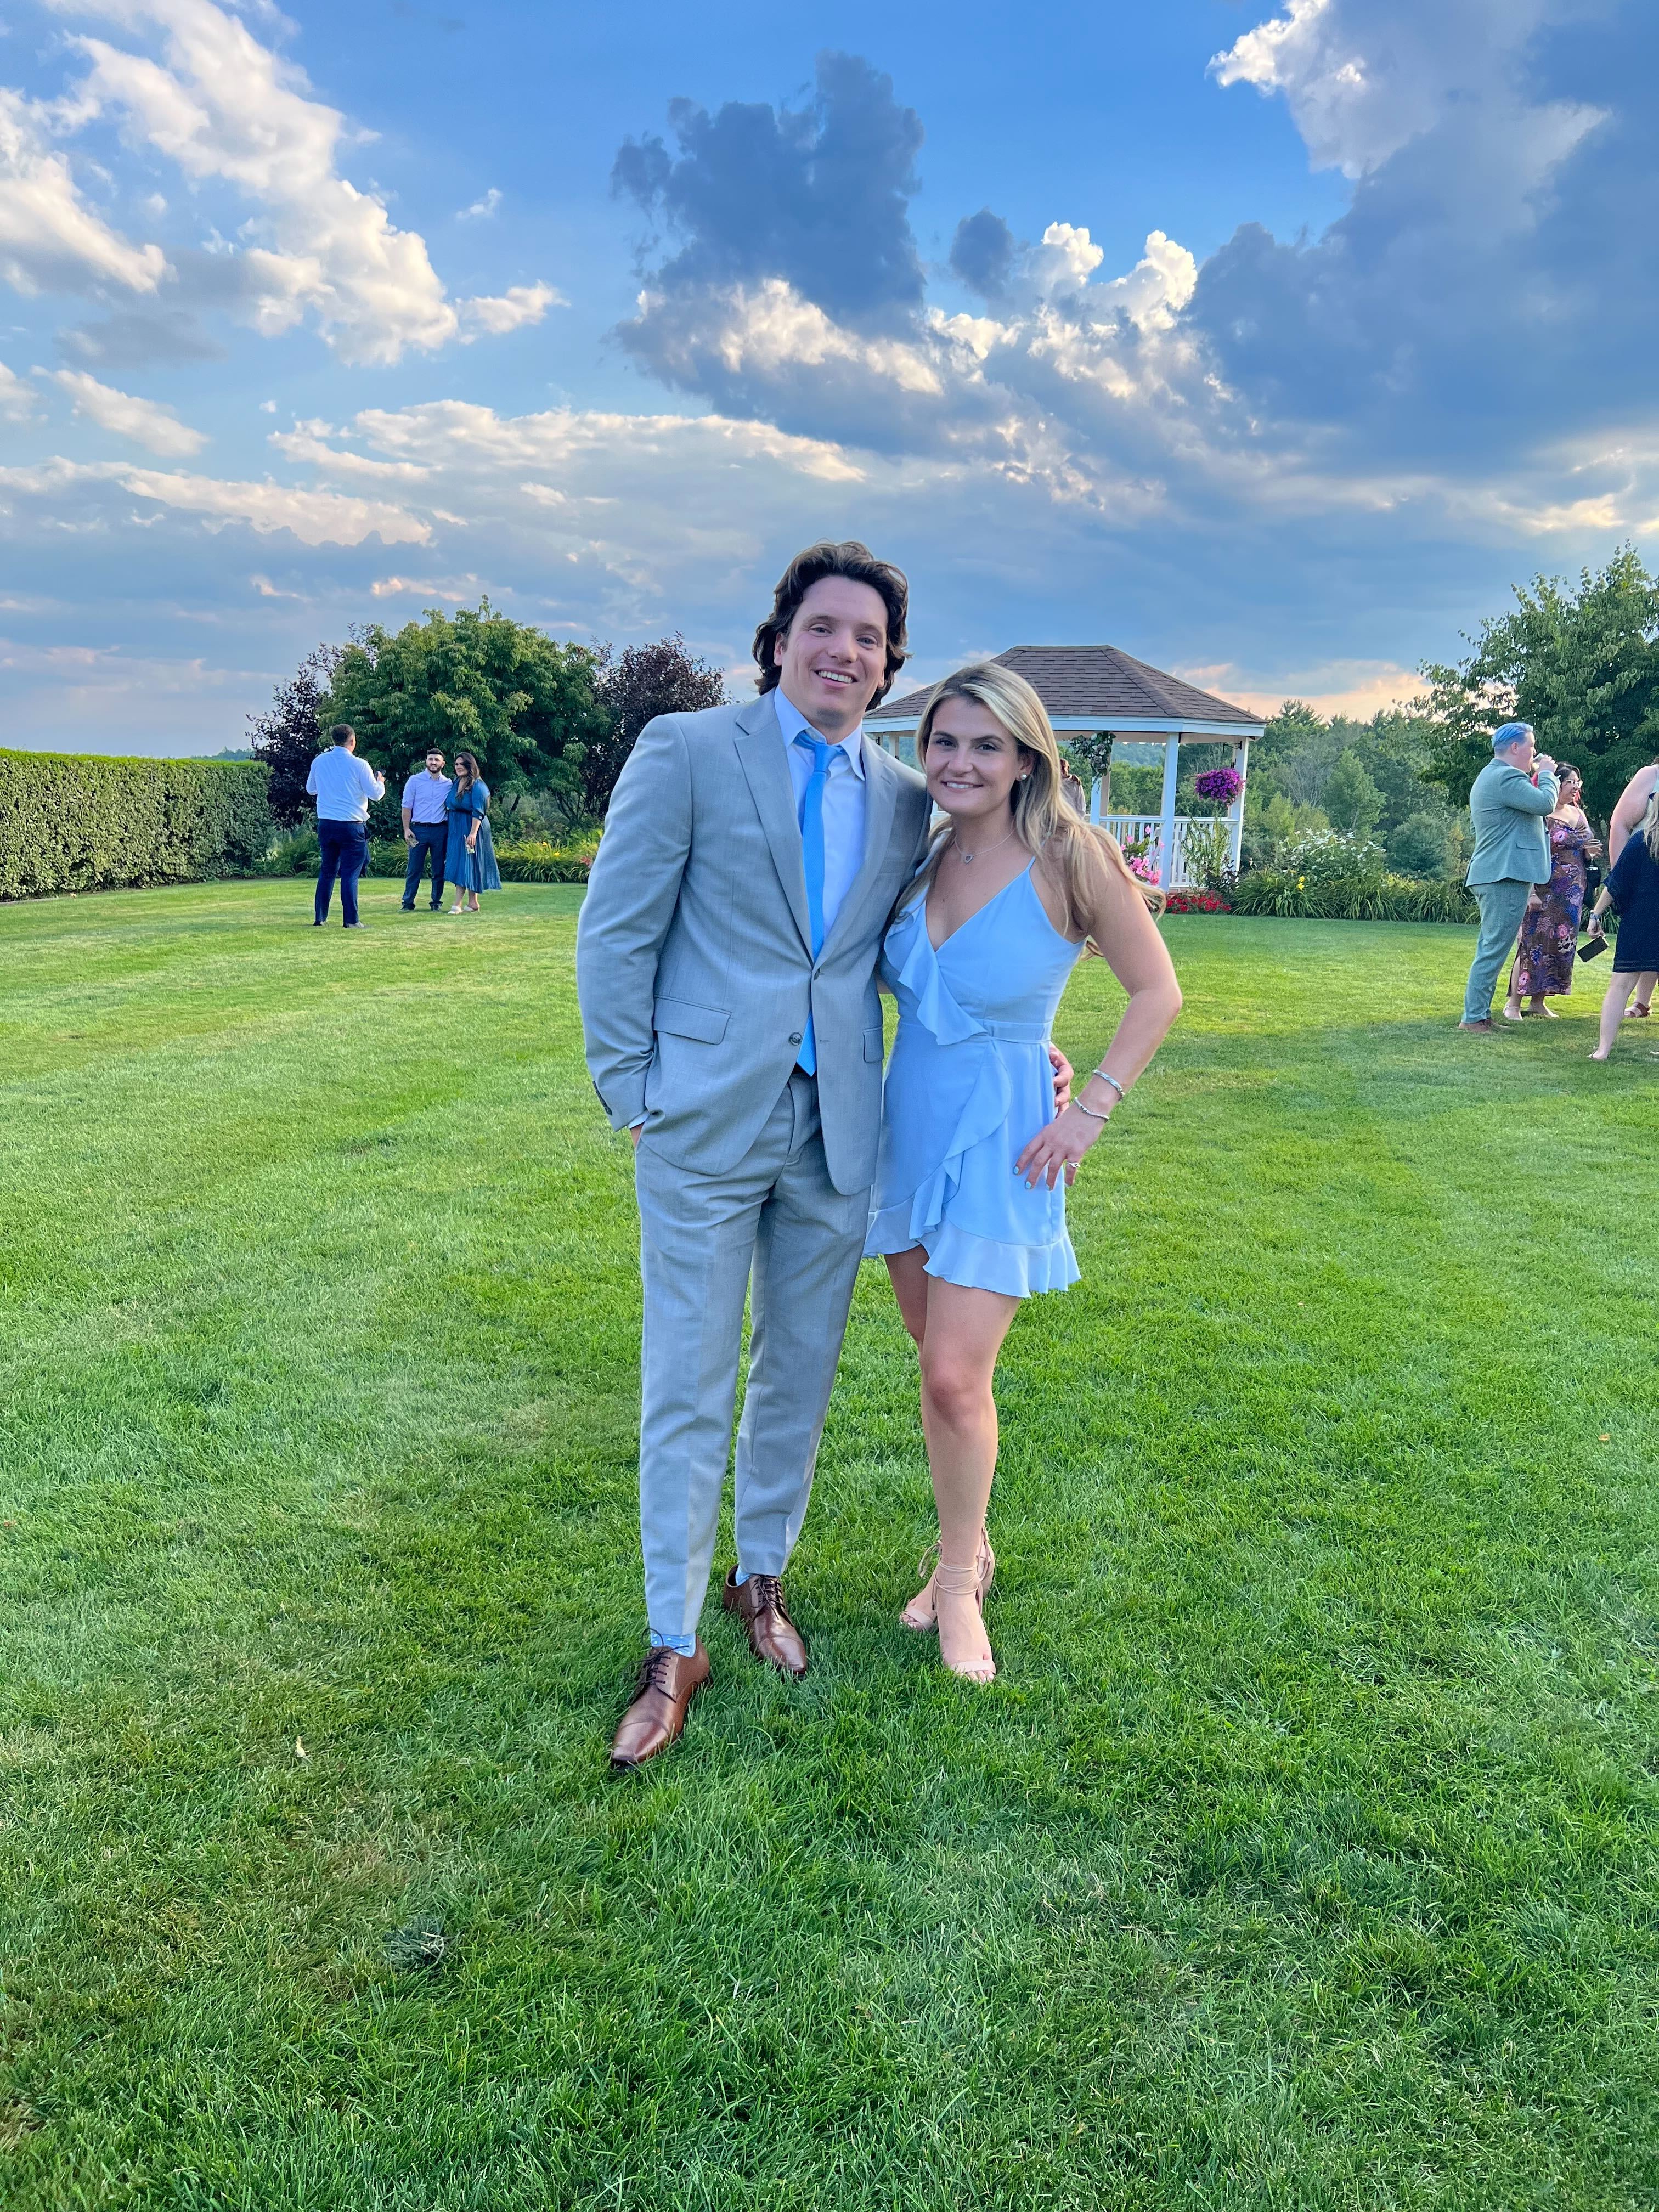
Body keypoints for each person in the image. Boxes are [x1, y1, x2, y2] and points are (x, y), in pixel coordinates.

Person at [575, 541, 1072, 1769]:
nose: (843, 650)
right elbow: (616, 927)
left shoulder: (912, 798)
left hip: (842, 1128)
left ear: (887, 663)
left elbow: (961, 944)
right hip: (699, 1117)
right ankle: (669, 1640)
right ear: (781, 635)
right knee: (687, 1376)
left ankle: (761, 1582)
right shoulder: (688, 750)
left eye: (867, 637)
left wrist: (1039, 1057)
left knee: (797, 1372)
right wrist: (630, 1085)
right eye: (824, 625)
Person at [867, 664, 1182, 1681]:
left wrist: (1086, 1107)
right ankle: (973, 1543)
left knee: (956, 1374)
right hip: (907, 1120)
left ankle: (957, 1576)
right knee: (933, 1356)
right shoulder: (912, 855)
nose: (959, 762)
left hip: (1007, 1134)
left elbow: (1155, 991)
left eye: (984, 744)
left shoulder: (1068, 855)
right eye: (942, 742)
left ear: (1024, 757)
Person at [1460, 721, 1559, 1030]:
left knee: (1494, 946)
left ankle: (1480, 1015)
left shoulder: (1497, 776)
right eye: (1531, 747)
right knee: (1493, 948)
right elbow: (1545, 803)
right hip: (1503, 875)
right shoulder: (1505, 777)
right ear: (1515, 748)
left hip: (1499, 873)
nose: (1534, 752)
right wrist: (1546, 773)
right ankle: (1474, 1018)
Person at [1503, 763, 1600, 1018]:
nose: (1576, 788)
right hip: (1543, 889)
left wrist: (1589, 853)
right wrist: (1532, 892)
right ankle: (1513, 1004)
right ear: (1556, 783)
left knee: (1559, 946)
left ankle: (1538, 1001)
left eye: (1578, 783)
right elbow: (1529, 851)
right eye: (1572, 782)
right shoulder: (1538, 813)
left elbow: (1584, 846)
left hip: (1571, 894)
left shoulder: (1578, 813)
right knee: (1532, 945)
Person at [1585, 787, 1659, 1059]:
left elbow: (1616, 883)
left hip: (1639, 924)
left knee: (1620, 987)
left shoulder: (1641, 842)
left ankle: (1603, 1050)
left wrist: (1596, 914)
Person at [304, 724, 384, 929]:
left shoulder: (320, 761)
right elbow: (375, 795)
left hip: (327, 823)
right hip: (351, 824)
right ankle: (351, 919)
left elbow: (311, 789)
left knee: (328, 871)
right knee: (350, 874)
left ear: (334, 740)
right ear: (352, 741)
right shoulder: (360, 765)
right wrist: (380, 782)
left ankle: (320, 917)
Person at [1607, 757, 1658, 1020]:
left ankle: (1643, 1002)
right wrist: (1620, 879)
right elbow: (1620, 824)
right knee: (1644, 940)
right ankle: (1638, 1000)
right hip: (1645, 875)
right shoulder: (1651, 775)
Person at [443, 752, 500, 913]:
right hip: (457, 828)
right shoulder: (456, 782)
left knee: (465, 863)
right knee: (466, 863)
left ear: (470, 766)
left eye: (463, 764)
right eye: (456, 764)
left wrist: (473, 834)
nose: (459, 767)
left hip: (472, 827)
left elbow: (478, 811)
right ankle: (473, 903)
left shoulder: (478, 785)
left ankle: (457, 904)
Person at [401, 748, 453, 911]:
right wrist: (406, 829)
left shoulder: (449, 784)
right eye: (431, 759)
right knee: (414, 868)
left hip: (440, 831)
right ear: (426, 761)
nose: (433, 763)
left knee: (439, 870)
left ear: (443, 763)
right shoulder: (415, 781)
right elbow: (407, 806)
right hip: (418, 830)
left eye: (437, 760)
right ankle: (408, 903)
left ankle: (436, 903)